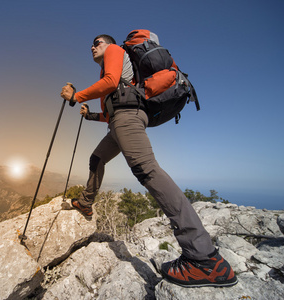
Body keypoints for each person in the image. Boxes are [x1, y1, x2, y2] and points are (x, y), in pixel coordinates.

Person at [60, 34, 237, 288]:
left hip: (127, 120)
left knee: (148, 172)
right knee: (97, 158)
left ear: (107, 43)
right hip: (120, 122)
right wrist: (90, 115)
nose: (92, 45)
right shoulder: (117, 71)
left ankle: (204, 259)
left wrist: (77, 96)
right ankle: (87, 203)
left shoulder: (113, 51)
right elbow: (113, 111)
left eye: (97, 41)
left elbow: (111, 84)